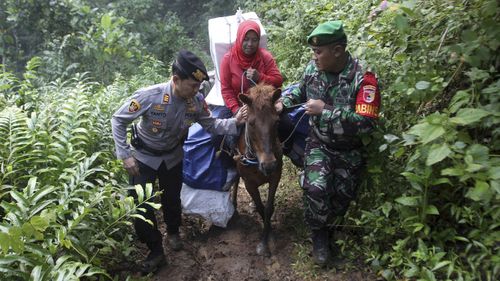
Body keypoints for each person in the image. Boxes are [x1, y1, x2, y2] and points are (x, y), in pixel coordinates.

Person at [111, 50, 247, 273]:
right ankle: (155, 250)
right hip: (143, 159)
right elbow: (118, 119)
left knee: (172, 198)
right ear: (176, 80)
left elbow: (212, 125)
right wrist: (125, 154)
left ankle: (173, 232)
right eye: (192, 86)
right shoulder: (150, 96)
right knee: (141, 206)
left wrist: (235, 122)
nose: (196, 91)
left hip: (173, 157)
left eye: (198, 86)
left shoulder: (196, 101)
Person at [275, 20, 381, 266]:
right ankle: (319, 236)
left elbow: (367, 123)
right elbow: (299, 91)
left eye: (319, 51)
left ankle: (331, 226)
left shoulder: (363, 79)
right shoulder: (313, 70)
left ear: (337, 50)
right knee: (316, 189)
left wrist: (326, 111)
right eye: (314, 51)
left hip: (350, 149)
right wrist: (283, 102)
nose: (315, 56)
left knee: (341, 197)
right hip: (319, 143)